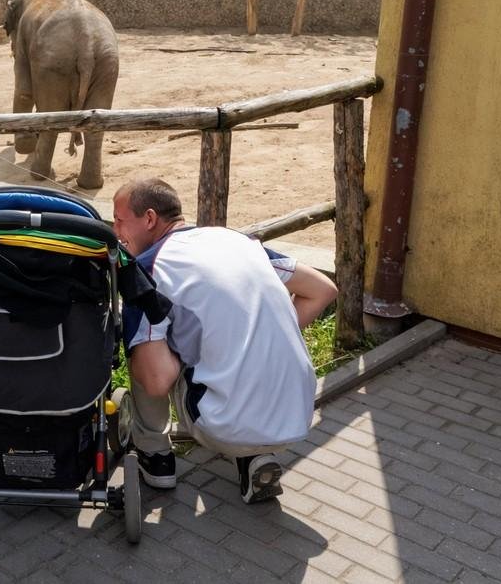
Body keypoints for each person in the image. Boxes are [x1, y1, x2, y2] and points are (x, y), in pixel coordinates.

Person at [112, 178, 338, 503]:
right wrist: (262, 333)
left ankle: (155, 457)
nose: (117, 231)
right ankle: (255, 457)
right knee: (218, 356)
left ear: (149, 219)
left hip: (221, 423)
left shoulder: (148, 269)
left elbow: (157, 381)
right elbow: (322, 290)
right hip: (297, 414)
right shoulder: (237, 240)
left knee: (144, 351)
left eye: (120, 221)